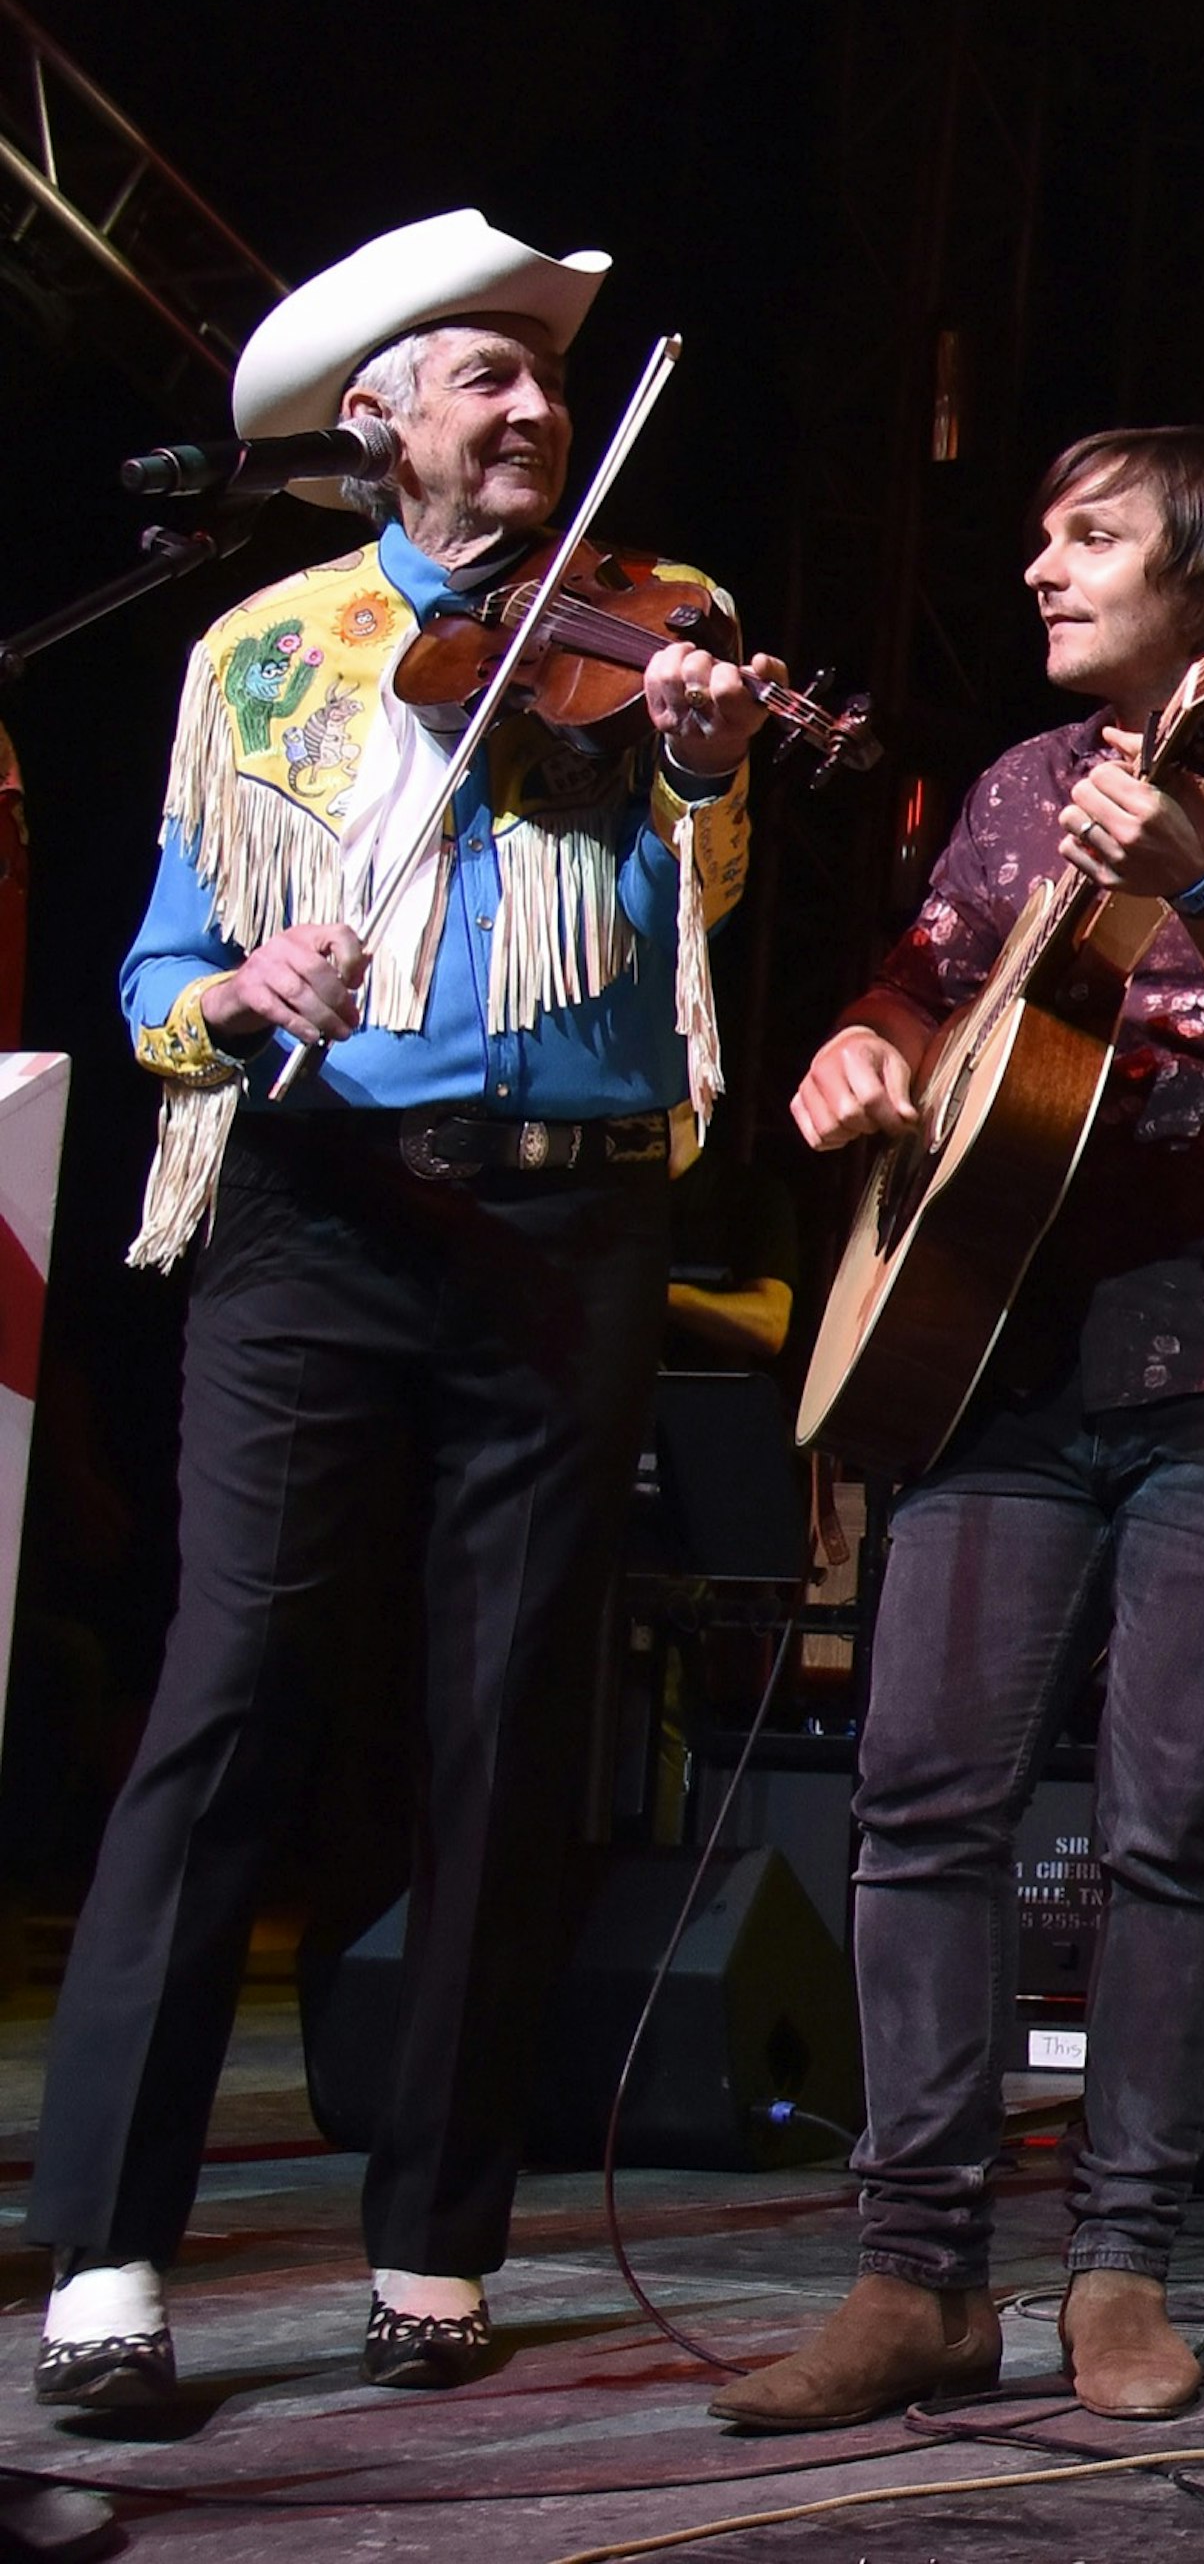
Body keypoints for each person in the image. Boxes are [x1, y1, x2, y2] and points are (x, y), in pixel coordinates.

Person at [30, 211, 767, 2406]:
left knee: (508, 1724)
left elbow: (697, 914)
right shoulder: (262, 647)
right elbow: (158, 973)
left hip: (571, 1227)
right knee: (229, 1693)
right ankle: (105, 2257)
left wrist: (710, 767)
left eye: (550, 376)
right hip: (323, 1211)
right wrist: (243, 993)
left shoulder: (673, 623)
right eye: (484, 376)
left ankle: (437, 2235)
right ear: (372, 421)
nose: (536, 405)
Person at [717, 429, 1204, 2431]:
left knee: (1171, 1829)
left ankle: (1125, 2268)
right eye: (1041, 536)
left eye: (1090, 537)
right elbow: (926, 991)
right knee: (920, 1803)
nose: (1040, 567)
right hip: (998, 1357)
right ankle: (917, 2274)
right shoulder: (1019, 790)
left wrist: (1194, 869)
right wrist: (864, 1054)